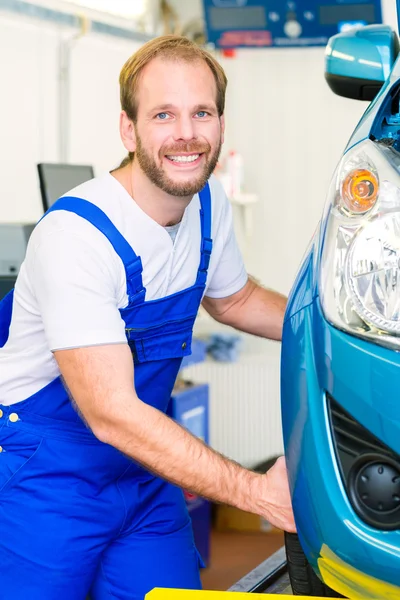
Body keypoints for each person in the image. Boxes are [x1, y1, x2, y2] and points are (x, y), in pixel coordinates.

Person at [0, 35, 295, 600]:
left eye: (201, 112)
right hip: (47, 479)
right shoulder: (76, 237)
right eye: (164, 114)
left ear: (221, 124)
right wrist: (257, 494)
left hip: (141, 475)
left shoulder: (208, 204)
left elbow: (232, 300)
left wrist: (337, 331)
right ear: (129, 130)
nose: (186, 133)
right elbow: (111, 413)